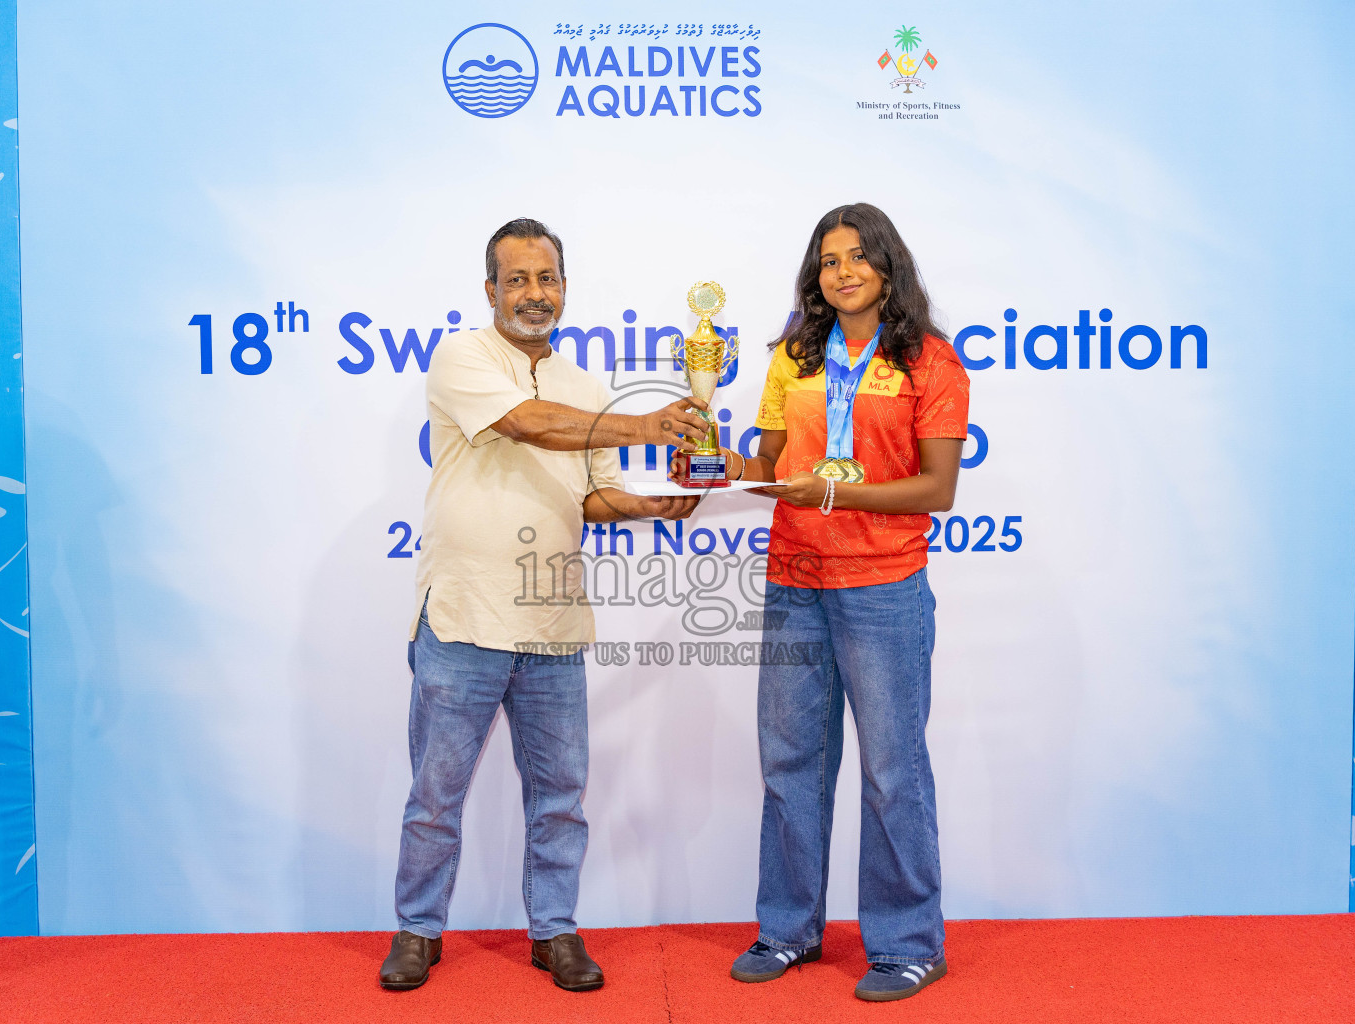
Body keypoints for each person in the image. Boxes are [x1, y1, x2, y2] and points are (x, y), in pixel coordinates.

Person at [381, 217, 706, 993]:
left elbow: (590, 493)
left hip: (554, 621)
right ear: (490, 290)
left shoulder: (585, 386)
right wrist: (647, 423)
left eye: (548, 278)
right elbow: (528, 425)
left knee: (561, 795)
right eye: (518, 279)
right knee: (436, 796)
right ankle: (418, 932)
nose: (535, 293)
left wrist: (661, 506)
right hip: (463, 616)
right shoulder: (463, 356)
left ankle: (554, 930)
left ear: (565, 287)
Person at [702, 203, 968, 1002]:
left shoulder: (929, 360)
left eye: (858, 256)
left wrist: (830, 494)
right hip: (794, 580)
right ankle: (787, 930)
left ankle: (909, 944)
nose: (842, 270)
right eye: (828, 260)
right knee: (791, 763)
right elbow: (770, 461)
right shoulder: (796, 355)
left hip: (884, 583)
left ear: (889, 266)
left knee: (892, 769)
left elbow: (939, 489)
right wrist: (712, 458)